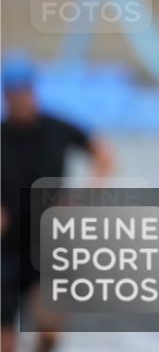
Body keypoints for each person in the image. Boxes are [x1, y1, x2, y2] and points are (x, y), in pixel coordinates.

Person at [0, 51, 116, 352]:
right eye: (13, 93)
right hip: (6, 248)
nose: (20, 99)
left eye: (25, 91)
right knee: (6, 343)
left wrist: (83, 197)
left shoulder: (56, 129)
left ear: (34, 90)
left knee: (50, 332)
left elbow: (104, 155)